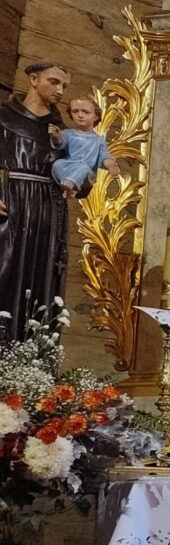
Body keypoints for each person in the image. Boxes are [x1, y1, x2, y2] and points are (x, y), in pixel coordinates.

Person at [0, 61, 70, 341]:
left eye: (64, 86)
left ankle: (31, 353)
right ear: (33, 79)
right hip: (10, 203)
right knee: (6, 270)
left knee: (40, 278)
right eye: (54, 82)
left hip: (47, 209)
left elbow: (74, 173)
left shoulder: (61, 130)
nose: (60, 90)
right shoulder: (4, 116)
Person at [50, 96, 119, 197]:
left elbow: (104, 156)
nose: (80, 115)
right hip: (69, 165)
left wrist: (110, 165)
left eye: (86, 112)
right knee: (57, 164)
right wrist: (56, 136)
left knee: (82, 168)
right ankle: (69, 187)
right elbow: (60, 142)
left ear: (95, 117)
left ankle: (70, 184)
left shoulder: (98, 140)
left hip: (86, 172)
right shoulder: (68, 133)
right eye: (75, 111)